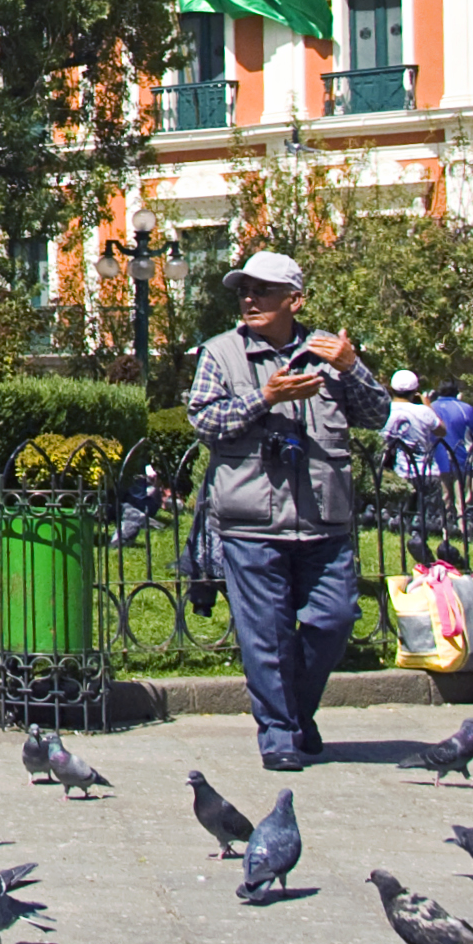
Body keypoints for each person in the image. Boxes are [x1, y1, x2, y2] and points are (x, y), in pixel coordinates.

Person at [186, 248, 390, 770]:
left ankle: (295, 710)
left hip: (323, 518)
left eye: (264, 291)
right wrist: (265, 398)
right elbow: (206, 423)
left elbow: (378, 415)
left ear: (294, 300)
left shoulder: (331, 354)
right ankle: (279, 732)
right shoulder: (221, 354)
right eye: (243, 291)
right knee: (267, 634)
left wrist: (354, 368)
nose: (250, 299)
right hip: (251, 520)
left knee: (335, 617)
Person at [381, 370, 443, 479]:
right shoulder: (424, 411)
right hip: (426, 472)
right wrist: (428, 405)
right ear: (415, 390)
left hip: (397, 474)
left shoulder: (383, 410)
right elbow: (441, 431)